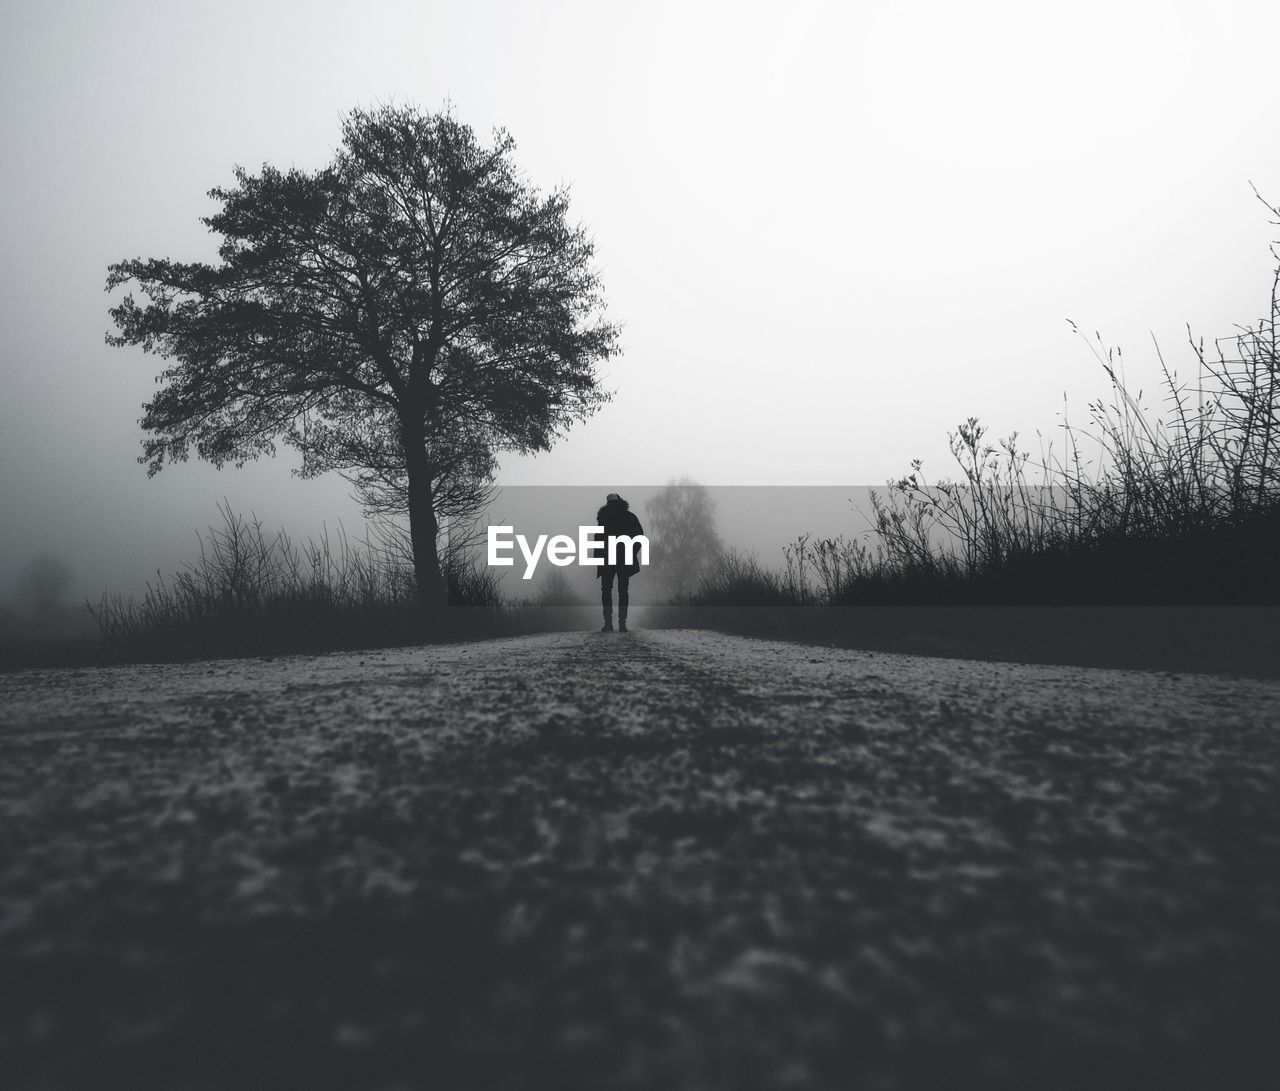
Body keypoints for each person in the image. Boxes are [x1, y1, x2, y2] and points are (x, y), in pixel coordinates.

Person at [592, 492, 643, 632]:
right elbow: (639, 536)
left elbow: (598, 540)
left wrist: (598, 560)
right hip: (624, 559)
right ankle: (622, 623)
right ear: (620, 501)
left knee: (606, 591)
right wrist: (631, 552)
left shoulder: (603, 518)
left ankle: (608, 623)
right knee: (623, 591)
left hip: (608, 560)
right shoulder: (630, 517)